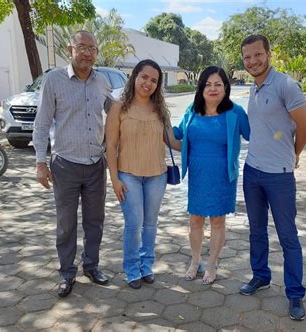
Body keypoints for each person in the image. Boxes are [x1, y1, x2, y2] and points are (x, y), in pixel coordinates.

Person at [239, 35, 306, 321]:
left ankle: (295, 294)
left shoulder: (285, 84)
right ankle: (261, 276)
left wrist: (294, 154)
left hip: (279, 176)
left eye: (257, 55)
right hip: (253, 172)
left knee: (288, 237)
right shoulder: (253, 88)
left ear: (268, 54)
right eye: (247, 57)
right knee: (256, 231)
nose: (252, 61)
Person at [33, 30, 111, 298]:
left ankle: (92, 266)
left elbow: (115, 114)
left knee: (95, 221)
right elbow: (42, 123)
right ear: (71, 49)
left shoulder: (101, 82)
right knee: (66, 223)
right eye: (82, 47)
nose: (87, 53)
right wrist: (40, 162)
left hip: (95, 165)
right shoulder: (54, 80)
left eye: (92, 48)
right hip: (65, 165)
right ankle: (67, 273)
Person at [173, 66, 250, 285]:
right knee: (195, 220)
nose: (213, 88)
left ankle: (212, 264)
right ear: (201, 88)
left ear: (226, 88)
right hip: (198, 175)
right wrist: (154, 122)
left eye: (218, 84)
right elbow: (177, 133)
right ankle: (195, 261)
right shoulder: (192, 110)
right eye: (208, 84)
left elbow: (254, 134)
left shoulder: (235, 113)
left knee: (217, 221)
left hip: (223, 176)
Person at [105, 59, 174, 289]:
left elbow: (172, 140)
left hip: (157, 175)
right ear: (134, 76)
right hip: (128, 175)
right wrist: (114, 179)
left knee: (151, 224)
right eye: (144, 77)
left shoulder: (160, 109)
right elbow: (111, 145)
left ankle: (147, 265)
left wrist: (202, 137)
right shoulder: (119, 107)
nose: (148, 83)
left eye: (154, 80)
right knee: (134, 223)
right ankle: (132, 268)